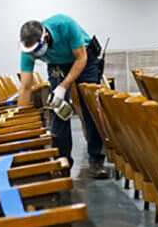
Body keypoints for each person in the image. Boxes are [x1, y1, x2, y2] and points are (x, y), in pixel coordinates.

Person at [16, 15, 108, 179]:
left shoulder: (65, 25)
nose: (35, 55)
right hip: (57, 65)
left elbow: (81, 58)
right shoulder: (28, 50)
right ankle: (62, 162)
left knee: (90, 109)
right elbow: (25, 86)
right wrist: (20, 121)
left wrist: (63, 86)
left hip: (84, 59)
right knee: (58, 110)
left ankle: (96, 159)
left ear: (45, 37)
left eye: (37, 50)